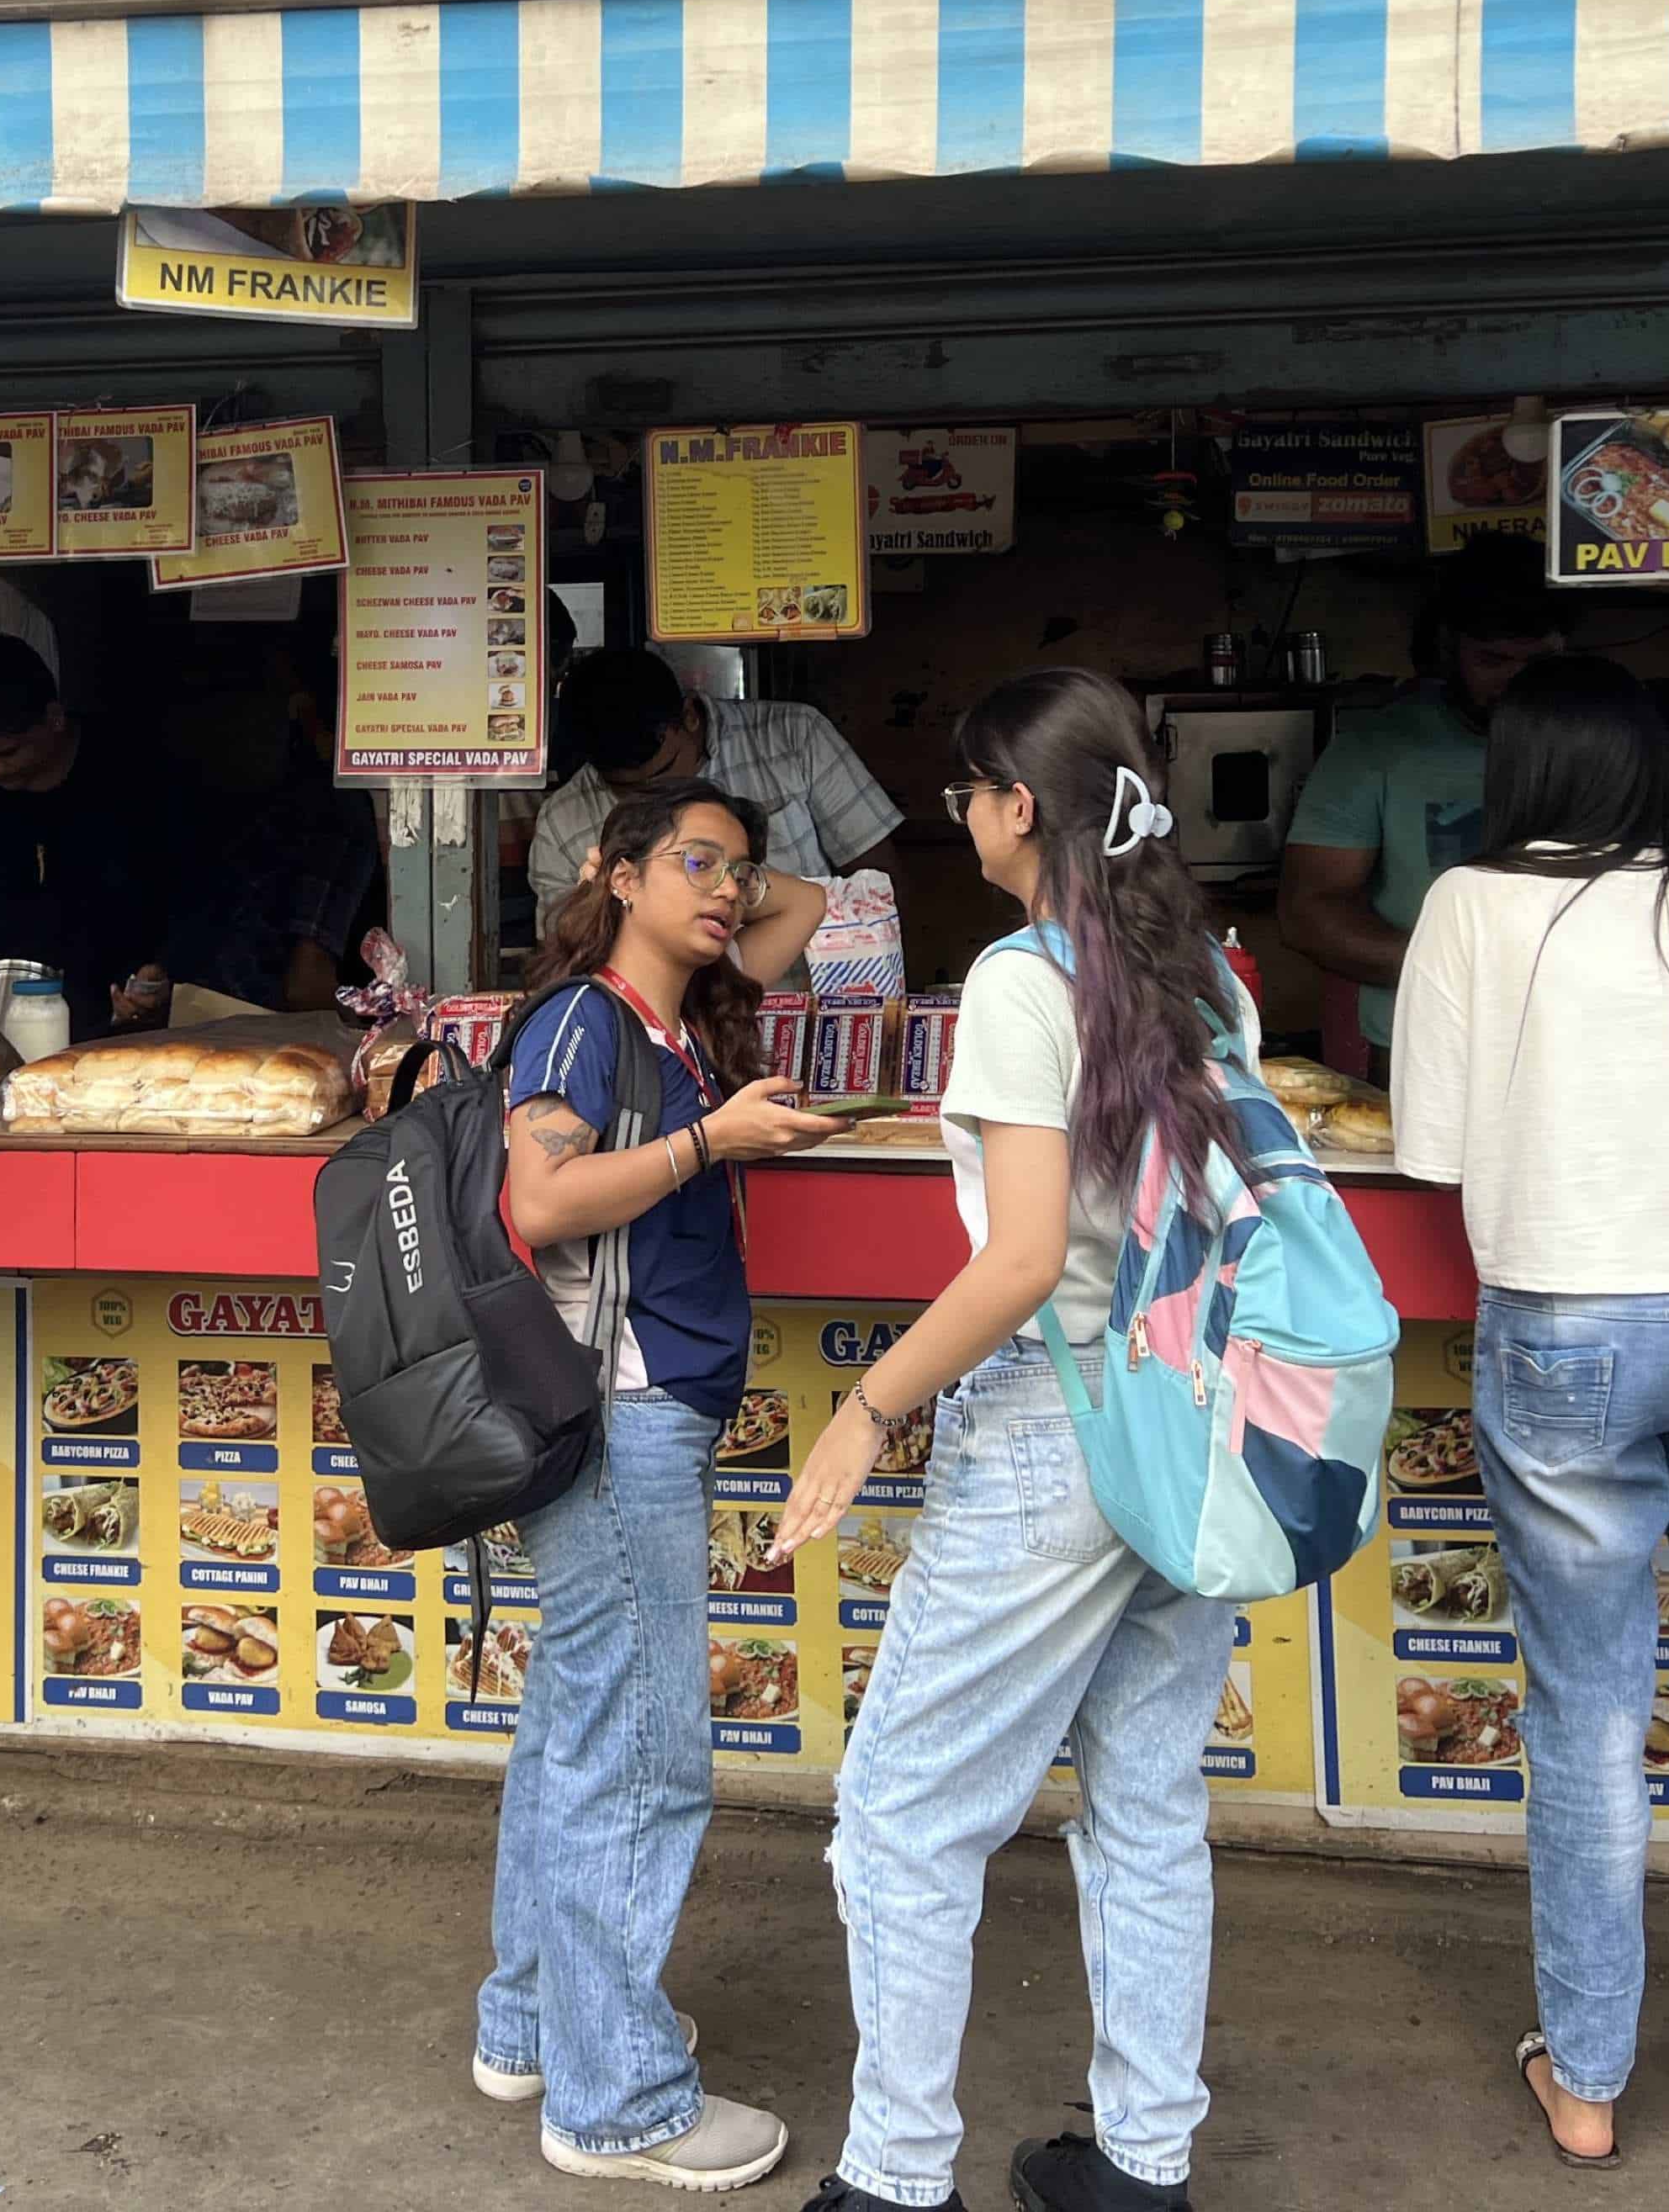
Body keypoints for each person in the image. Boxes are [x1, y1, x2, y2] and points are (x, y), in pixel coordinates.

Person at [768, 668, 1249, 2212]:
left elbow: (1026, 1255)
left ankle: (897, 2176)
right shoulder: (1205, 973)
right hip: (1196, 1412)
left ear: (1018, 806)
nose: (956, 813)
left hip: (1058, 1422)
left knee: (903, 1813)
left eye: (968, 788)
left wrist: (864, 1407)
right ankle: (1140, 2163)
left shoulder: (1019, 981)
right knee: (1146, 1801)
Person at [1388, 654, 1669, 2180]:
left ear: (1521, 772)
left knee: (1585, 1713)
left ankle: (1582, 2078)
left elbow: (1433, 1147)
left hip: (1569, 1332)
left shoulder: (1469, 905)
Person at [479, 780, 838, 2188]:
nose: (730, 889)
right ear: (610, 871)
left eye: (734, 867)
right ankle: (616, 2096)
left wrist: (730, 873)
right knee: (639, 1755)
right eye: (690, 862)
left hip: (632, 1412)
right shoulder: (582, 1017)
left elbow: (804, 909)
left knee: (577, 1726)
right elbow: (542, 1203)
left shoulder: (678, 1020)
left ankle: (535, 2022)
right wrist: (712, 1141)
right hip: (617, 1412)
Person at [1281, 537, 1562, 1071]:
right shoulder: (1378, 748)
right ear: (1446, 650)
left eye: (1541, 662)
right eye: (1492, 660)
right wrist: (1468, 974)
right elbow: (1309, 911)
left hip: (1573, 1042)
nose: (1519, 683)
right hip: (1426, 1047)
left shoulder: (1605, 742)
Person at [531, 651, 901, 960]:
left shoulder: (793, 735)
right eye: (627, 791)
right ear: (625, 880)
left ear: (690, 718)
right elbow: (567, 947)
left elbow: (867, 887)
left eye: (663, 775)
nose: (656, 798)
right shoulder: (563, 822)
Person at [0, 632, 173, 1038]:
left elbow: (194, 901)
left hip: (135, 1039)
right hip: (4, 1039)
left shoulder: (137, 780)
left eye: (6, 754)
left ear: (54, 719)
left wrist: (163, 975)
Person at [188, 630, 383, 1012]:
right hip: (258, 1025)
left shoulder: (240, 799)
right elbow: (306, 984)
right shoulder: (334, 810)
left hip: (205, 1014)